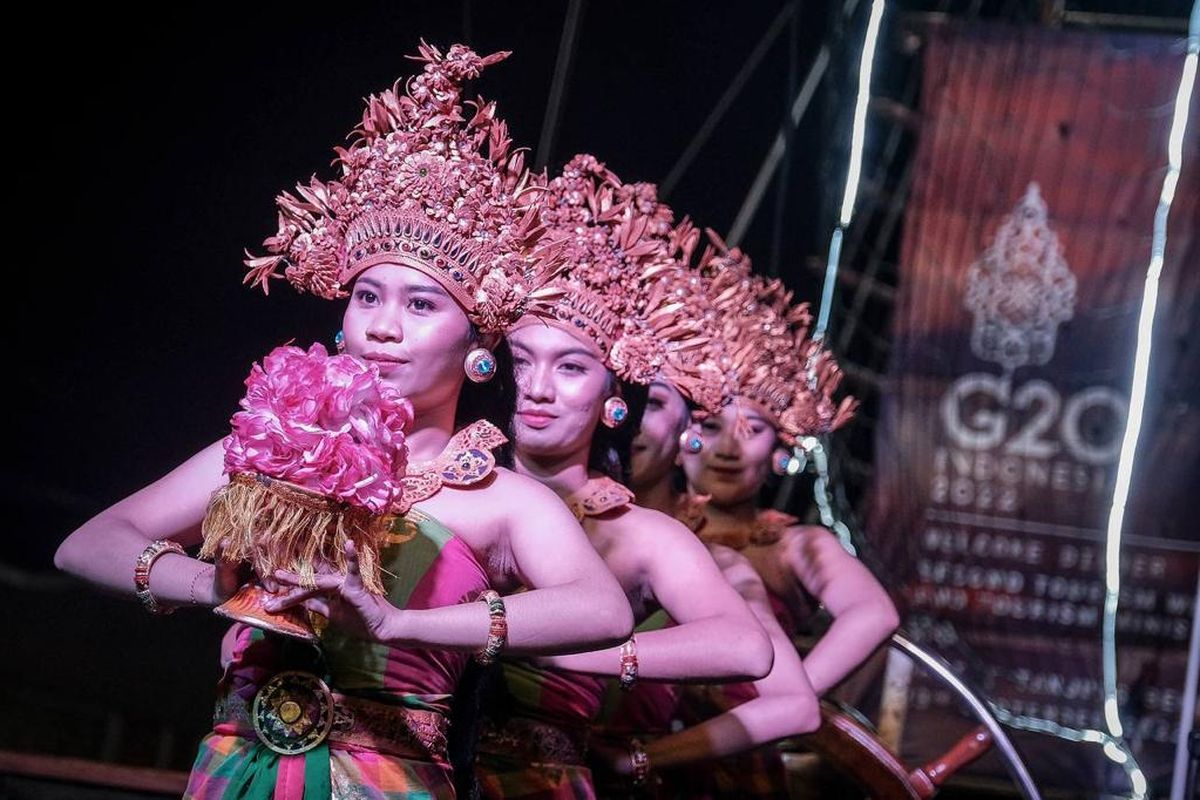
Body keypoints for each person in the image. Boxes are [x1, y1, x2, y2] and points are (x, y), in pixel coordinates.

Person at [56, 44, 633, 799]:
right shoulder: (269, 451)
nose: (382, 327)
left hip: (392, 779)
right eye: (367, 298)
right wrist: (210, 583)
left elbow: (603, 609)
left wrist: (398, 624)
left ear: (479, 347)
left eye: (420, 305)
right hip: (236, 773)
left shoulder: (499, 499)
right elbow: (86, 544)